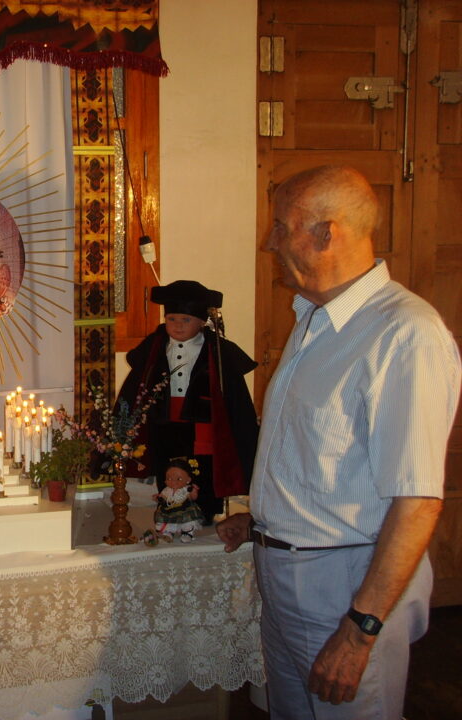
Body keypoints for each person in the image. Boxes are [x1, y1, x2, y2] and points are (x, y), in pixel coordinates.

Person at [216, 166, 461, 719]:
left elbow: (418, 501)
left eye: (282, 227)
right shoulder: (315, 318)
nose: (270, 242)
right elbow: (320, 457)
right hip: (287, 573)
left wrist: (359, 630)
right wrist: (263, 518)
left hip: (344, 584)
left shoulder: (405, 334)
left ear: (327, 233)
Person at [116, 279, 259, 523]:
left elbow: (234, 394)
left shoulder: (218, 350)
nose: (178, 325)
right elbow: (139, 383)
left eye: (186, 320)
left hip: (201, 420)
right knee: (166, 462)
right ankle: (168, 507)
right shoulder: (155, 346)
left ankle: (205, 509)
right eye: (171, 319)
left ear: (202, 322)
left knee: (202, 463)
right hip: (164, 418)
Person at [152, 457, 204, 543]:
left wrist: (194, 492)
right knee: (168, 521)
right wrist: (158, 498)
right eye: (169, 479)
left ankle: (187, 533)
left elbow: (193, 497)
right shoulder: (166, 490)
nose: (173, 482)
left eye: (179, 479)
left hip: (185, 509)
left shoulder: (186, 489)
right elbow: (163, 497)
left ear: (188, 480)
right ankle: (168, 532)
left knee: (187, 522)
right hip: (169, 509)